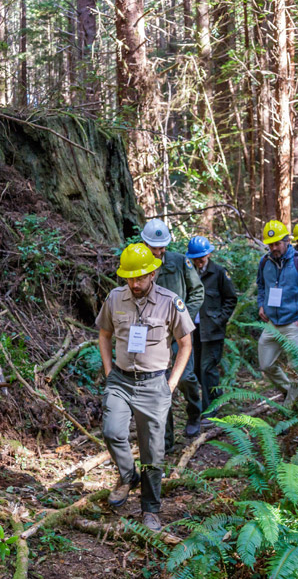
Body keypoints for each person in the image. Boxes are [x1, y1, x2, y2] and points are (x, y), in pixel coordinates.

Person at [96, 243, 196, 532]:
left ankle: (150, 509)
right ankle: (128, 476)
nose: (134, 283)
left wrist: (172, 382)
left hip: (155, 384)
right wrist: (108, 369)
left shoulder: (170, 301)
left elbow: (186, 343)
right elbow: (104, 335)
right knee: (112, 431)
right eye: (129, 278)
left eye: (139, 278)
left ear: (153, 273)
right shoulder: (115, 298)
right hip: (121, 380)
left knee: (153, 451)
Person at [140, 219, 205, 445]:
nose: (158, 252)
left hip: (180, 333)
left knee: (185, 377)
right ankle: (165, 439)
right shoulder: (138, 265)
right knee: (159, 384)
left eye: (162, 247)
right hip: (153, 336)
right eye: (154, 247)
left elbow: (197, 291)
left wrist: (184, 317)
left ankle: (194, 413)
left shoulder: (179, 262)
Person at [256, 220, 298, 390]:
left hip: (295, 323)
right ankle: (289, 392)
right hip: (273, 323)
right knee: (266, 365)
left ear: (287, 241)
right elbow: (261, 286)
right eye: (270, 245)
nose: (274, 248)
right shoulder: (264, 262)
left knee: (297, 370)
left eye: (277, 243)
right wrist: (261, 304)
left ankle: (296, 405)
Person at [185, 236, 238, 426]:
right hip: (194, 330)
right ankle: (217, 397)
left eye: (202, 258)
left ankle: (210, 411)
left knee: (208, 368)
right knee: (198, 369)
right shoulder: (189, 272)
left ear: (209, 254)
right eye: (195, 258)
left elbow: (231, 298)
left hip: (212, 330)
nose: (199, 262)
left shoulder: (219, 273)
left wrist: (220, 320)